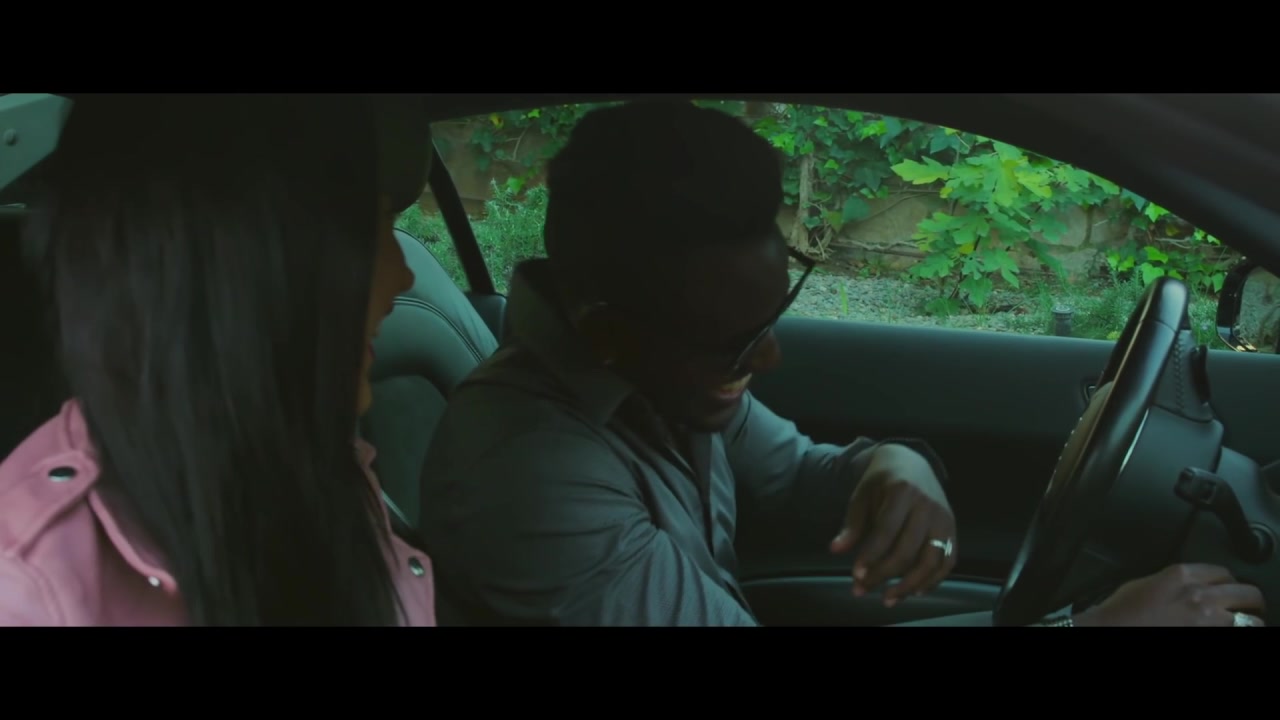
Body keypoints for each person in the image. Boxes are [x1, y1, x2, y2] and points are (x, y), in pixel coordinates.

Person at [419, 100, 1266, 627]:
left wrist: (891, 464)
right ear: (606, 333)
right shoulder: (527, 476)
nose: (771, 354)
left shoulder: (660, 375)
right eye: (738, 341)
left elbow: (798, 477)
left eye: (773, 315)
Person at [0, 94, 435, 626]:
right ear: (248, 257)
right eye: (375, 224)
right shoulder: (28, 594)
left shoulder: (324, 474)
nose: (404, 277)